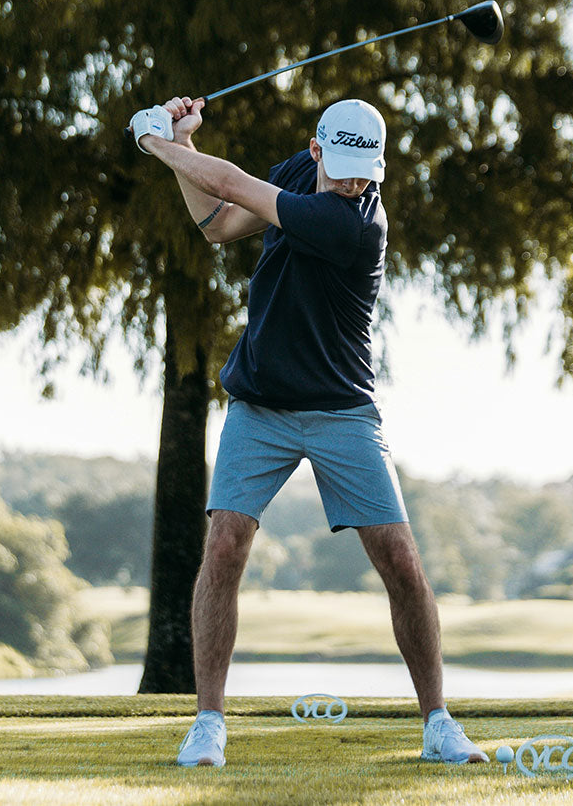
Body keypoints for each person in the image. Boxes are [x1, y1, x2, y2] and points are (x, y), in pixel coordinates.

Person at [129, 96, 488, 769]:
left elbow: (232, 184)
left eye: (367, 173)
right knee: (226, 544)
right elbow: (218, 220)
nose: (356, 182)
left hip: (340, 409)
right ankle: (208, 723)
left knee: (401, 563)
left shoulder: (354, 224)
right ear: (317, 151)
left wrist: (156, 145)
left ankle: (438, 721)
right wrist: (183, 146)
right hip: (259, 402)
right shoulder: (301, 171)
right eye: (344, 167)